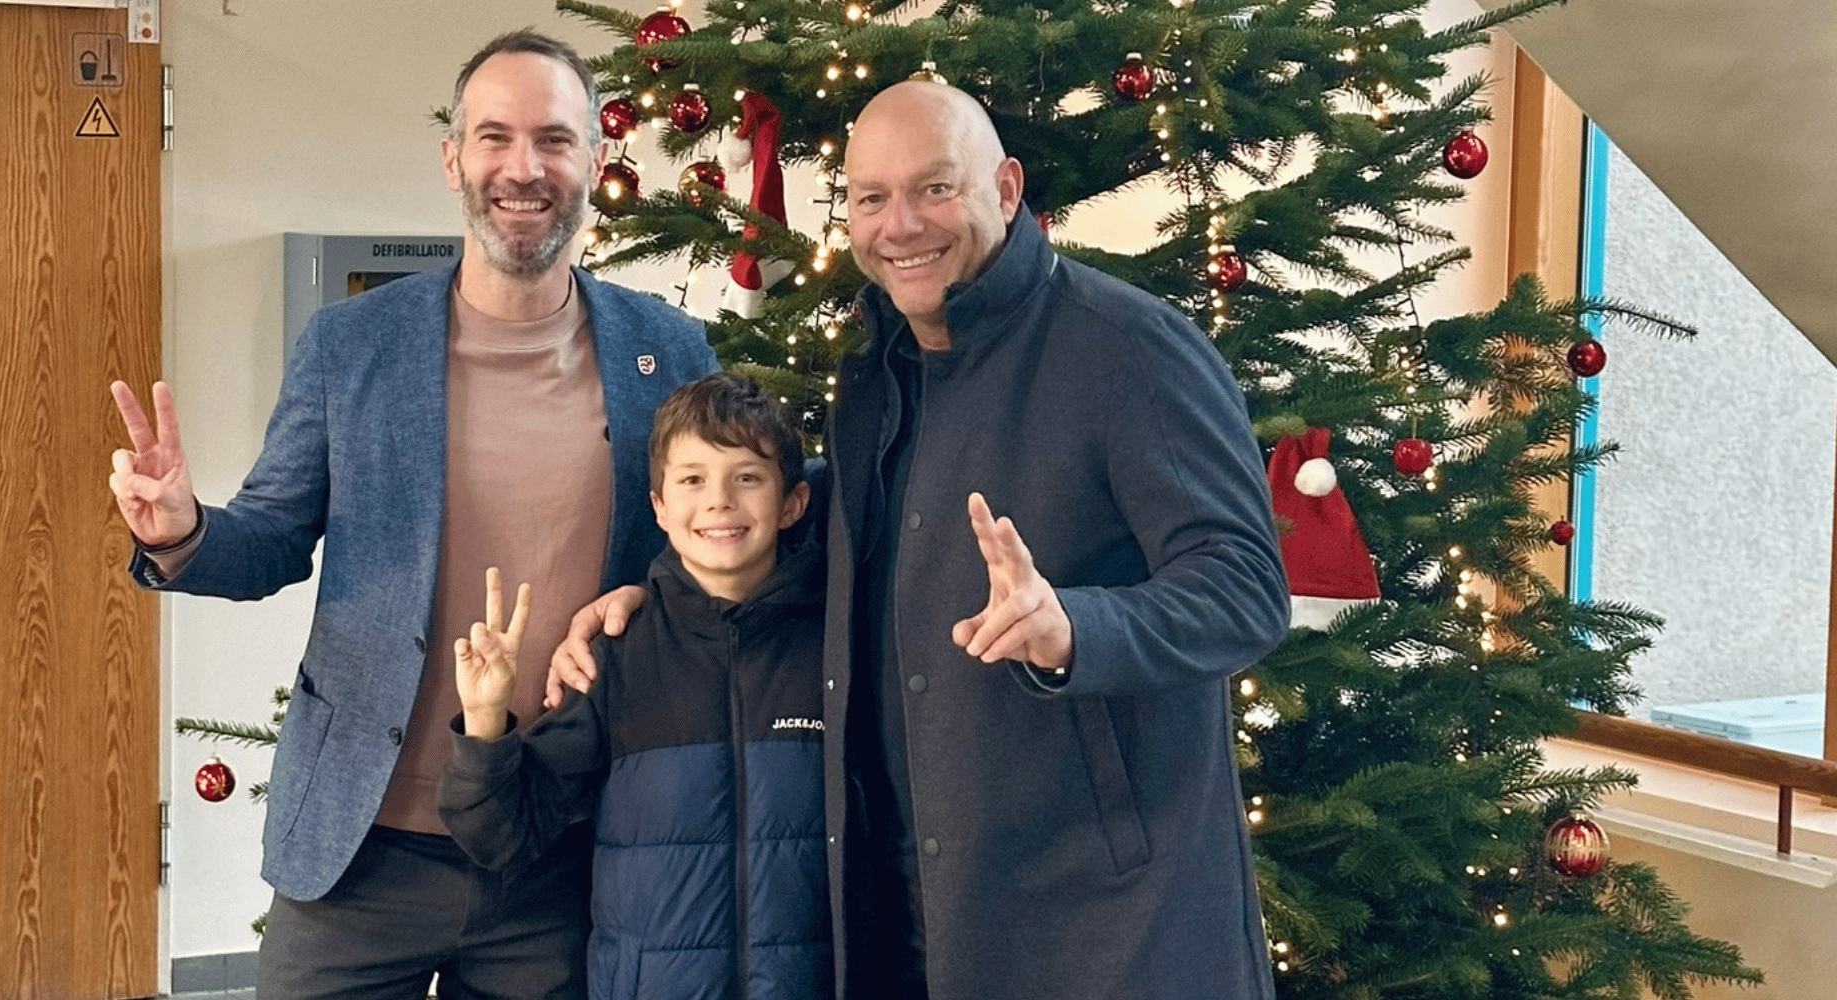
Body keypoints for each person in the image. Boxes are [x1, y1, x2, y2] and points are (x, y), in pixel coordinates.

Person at [106, 30, 716, 1000]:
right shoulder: (352, 344)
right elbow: (270, 542)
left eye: (554, 140)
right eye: (494, 136)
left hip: (555, 846)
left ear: (595, 162)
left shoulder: (669, 350)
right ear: (452, 159)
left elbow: (717, 552)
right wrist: (180, 527)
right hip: (358, 852)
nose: (523, 167)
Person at [827, 81, 1291, 999]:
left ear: (1004, 188)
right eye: (871, 198)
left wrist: (1074, 627)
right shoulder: (877, 366)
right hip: (915, 909)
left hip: (1106, 929)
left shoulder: (1128, 347)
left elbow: (1245, 587)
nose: (900, 225)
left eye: (934, 189)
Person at [439, 371, 830, 1000]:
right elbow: (502, 837)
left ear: (792, 504)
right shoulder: (614, 655)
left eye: (748, 478)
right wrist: (486, 726)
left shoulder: (833, 646)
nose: (720, 502)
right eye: (693, 480)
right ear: (659, 508)